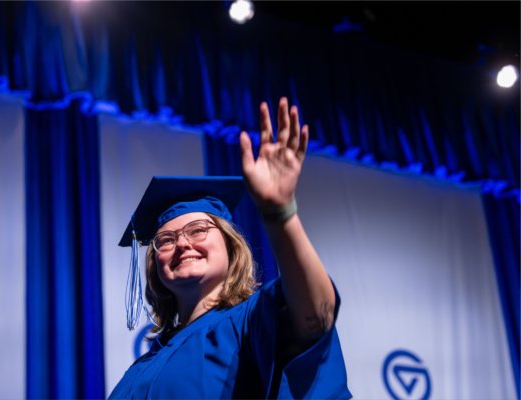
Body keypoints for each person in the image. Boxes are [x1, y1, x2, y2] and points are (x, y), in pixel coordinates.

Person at [110, 98, 351, 399]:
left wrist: (280, 214)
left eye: (197, 230)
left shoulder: (248, 322)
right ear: (155, 265)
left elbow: (316, 315)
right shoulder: (139, 368)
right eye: (167, 241)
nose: (182, 244)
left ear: (231, 246)